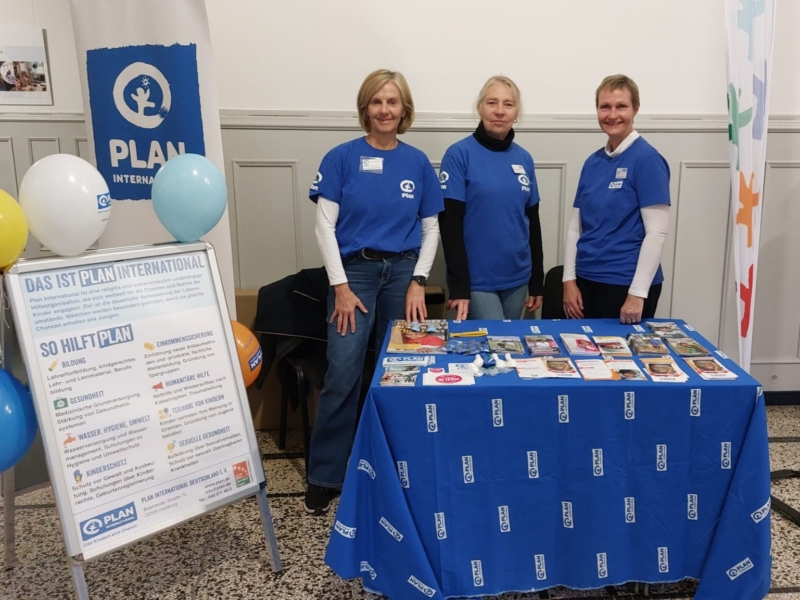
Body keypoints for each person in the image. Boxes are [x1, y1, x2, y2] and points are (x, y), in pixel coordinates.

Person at [304, 69, 443, 514]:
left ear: (405, 110)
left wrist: (419, 281)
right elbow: (324, 226)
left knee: (404, 370)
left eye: (393, 102)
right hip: (355, 277)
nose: (385, 110)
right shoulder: (341, 157)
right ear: (366, 107)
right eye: (377, 102)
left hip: (402, 275)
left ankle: (400, 470)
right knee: (344, 372)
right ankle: (326, 474)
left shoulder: (418, 161)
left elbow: (431, 227)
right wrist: (340, 287)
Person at [562, 75, 671, 324]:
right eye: (605, 107)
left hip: (625, 286)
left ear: (635, 109)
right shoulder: (592, 162)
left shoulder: (648, 160)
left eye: (621, 106)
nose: (612, 115)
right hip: (586, 282)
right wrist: (569, 280)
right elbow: (575, 225)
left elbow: (657, 232)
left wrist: (637, 294)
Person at [439, 76, 544, 321]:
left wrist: (536, 280)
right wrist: (460, 286)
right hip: (476, 280)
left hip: (517, 277)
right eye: (491, 103)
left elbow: (532, 222)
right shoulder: (458, 155)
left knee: (508, 351)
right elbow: (450, 224)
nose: (499, 111)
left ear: (516, 112)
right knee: (493, 348)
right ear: (480, 108)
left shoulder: (524, 159)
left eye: (508, 104)